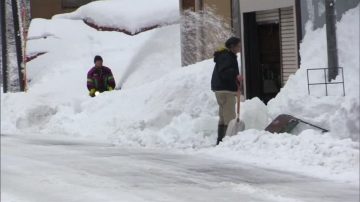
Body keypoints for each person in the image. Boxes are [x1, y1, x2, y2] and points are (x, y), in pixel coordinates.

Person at [211, 37, 242, 145]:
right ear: (232, 46)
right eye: (238, 45)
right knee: (229, 117)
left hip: (221, 89)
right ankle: (228, 142)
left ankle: (221, 140)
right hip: (225, 90)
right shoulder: (226, 56)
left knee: (223, 117)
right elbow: (224, 72)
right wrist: (236, 75)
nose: (240, 47)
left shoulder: (225, 55)